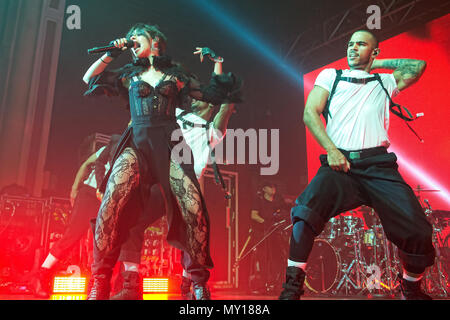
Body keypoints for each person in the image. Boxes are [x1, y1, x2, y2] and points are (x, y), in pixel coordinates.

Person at [82, 23, 241, 300]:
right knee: (112, 202)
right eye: (129, 37)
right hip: (138, 143)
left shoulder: (175, 75)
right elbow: (89, 78)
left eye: (136, 36)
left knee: (193, 208)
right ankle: (100, 281)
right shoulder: (129, 74)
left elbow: (213, 95)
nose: (131, 40)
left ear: (154, 40)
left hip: (170, 143)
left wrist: (218, 63)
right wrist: (112, 53)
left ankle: (198, 283)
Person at [279, 29, 435, 300]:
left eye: (361, 45)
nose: (352, 48)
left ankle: (410, 288)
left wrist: (376, 64)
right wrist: (331, 151)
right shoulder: (331, 75)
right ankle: (292, 288)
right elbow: (309, 113)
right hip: (340, 164)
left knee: (418, 231)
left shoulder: (384, 81)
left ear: (374, 52)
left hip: (378, 166)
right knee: (304, 214)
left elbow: (417, 66)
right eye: (350, 44)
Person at [31, 134, 121, 298]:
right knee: (72, 236)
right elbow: (86, 164)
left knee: (102, 243)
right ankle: (41, 274)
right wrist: (74, 188)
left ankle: (97, 285)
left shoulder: (131, 154)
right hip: (89, 194)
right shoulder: (107, 149)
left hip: (107, 200)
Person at [248, 182, 290, 294]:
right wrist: (265, 223)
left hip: (275, 234)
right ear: (264, 189)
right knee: (263, 259)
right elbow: (254, 215)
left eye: (274, 186)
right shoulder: (259, 201)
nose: (273, 189)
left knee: (276, 259)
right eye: (270, 187)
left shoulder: (277, 202)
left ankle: (275, 284)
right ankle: (262, 285)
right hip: (262, 234)